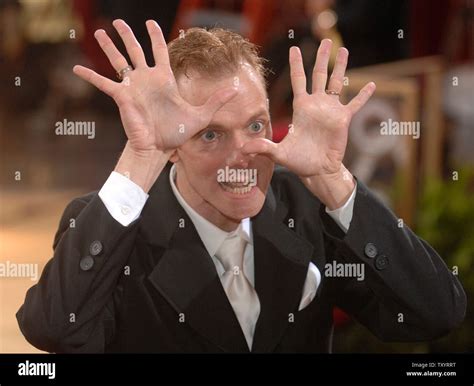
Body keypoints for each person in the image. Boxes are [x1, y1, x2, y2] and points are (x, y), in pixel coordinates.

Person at [17, 19, 466, 353]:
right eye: (210, 134)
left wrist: (333, 179)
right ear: (171, 143)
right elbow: (54, 330)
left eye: (255, 125)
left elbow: (435, 313)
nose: (242, 156)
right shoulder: (114, 229)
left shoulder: (306, 209)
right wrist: (141, 156)